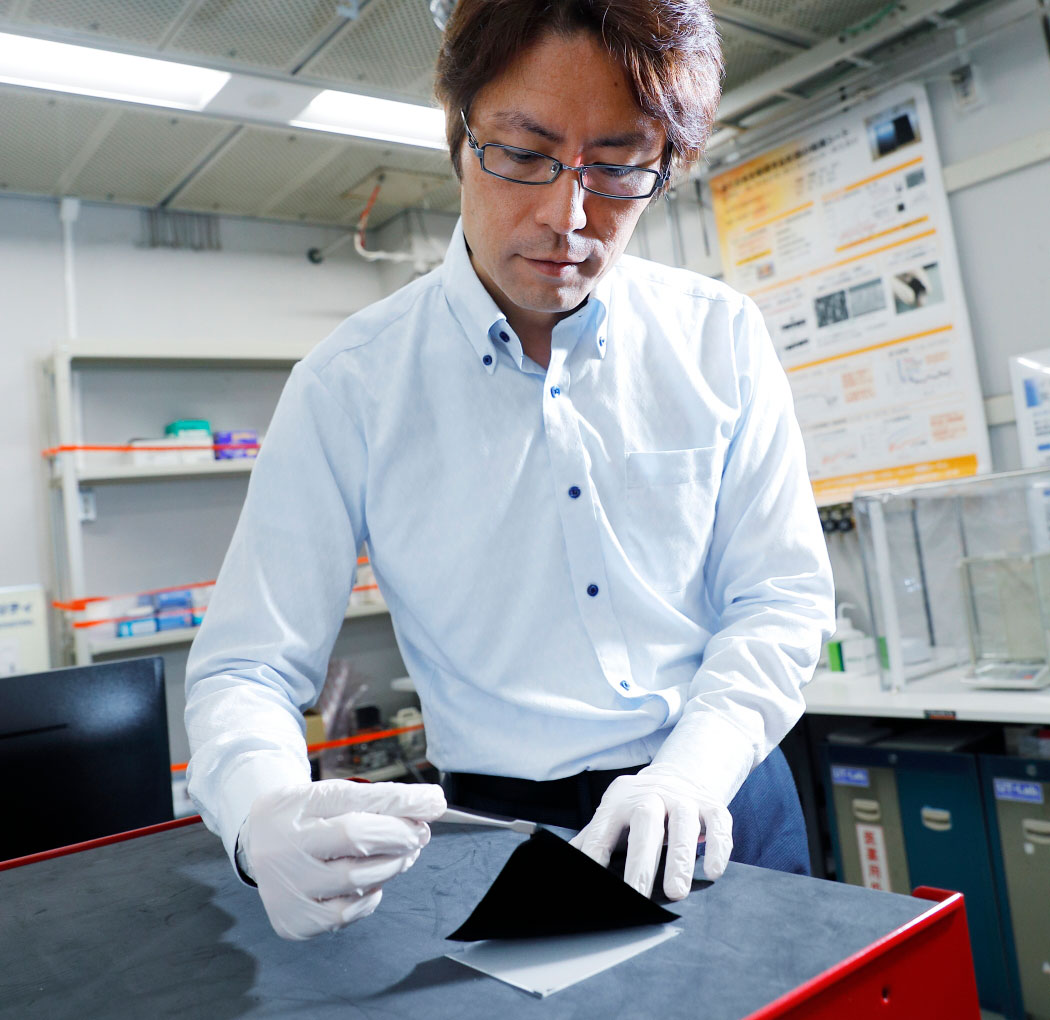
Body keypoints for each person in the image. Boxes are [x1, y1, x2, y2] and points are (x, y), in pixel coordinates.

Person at [185, 0, 835, 941]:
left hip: (719, 796)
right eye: (524, 153)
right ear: (458, 135)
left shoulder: (719, 339)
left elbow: (778, 599)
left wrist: (692, 770)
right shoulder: (350, 385)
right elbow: (245, 663)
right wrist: (261, 813)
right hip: (503, 829)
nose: (567, 216)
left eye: (618, 166)